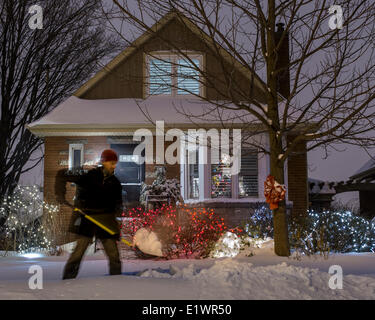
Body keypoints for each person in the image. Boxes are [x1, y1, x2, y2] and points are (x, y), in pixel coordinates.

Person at [55, 149, 123, 280]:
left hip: (106, 221)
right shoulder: (89, 176)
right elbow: (61, 174)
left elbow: (118, 205)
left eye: (115, 163)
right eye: (111, 162)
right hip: (88, 219)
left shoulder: (115, 183)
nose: (114, 166)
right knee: (77, 254)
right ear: (104, 162)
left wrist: (117, 222)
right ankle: (67, 281)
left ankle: (117, 282)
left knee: (114, 257)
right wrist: (60, 194)